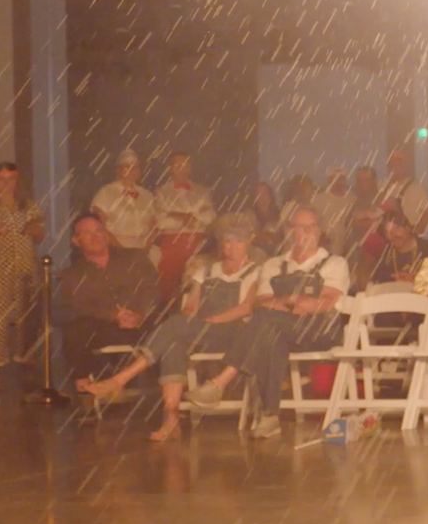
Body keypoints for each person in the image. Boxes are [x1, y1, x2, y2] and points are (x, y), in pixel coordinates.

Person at [75, 214, 261, 441]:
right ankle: (171, 419)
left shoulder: (255, 271)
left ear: (248, 243)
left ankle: (120, 379)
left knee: (174, 325)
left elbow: (245, 308)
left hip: (232, 332)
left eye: (238, 242)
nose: (231, 248)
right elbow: (191, 305)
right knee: (173, 341)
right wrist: (192, 318)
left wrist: (207, 322)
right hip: (201, 329)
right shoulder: (207, 270)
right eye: (227, 242)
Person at [190, 208, 347, 438]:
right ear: (289, 231)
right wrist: (294, 300)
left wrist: (284, 301)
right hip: (282, 329)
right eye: (301, 227)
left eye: (312, 226)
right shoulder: (274, 265)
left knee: (266, 323)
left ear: (319, 230)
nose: (308, 232)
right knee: (270, 333)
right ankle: (270, 417)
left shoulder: (334, 262)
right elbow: (262, 303)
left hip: (318, 330)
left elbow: (323, 304)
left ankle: (221, 381)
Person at [56, 215, 159, 397]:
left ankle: (166, 396)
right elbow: (75, 306)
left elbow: (154, 289)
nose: (95, 237)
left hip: (143, 325)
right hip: (106, 329)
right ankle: (85, 391)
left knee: (170, 322)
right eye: (87, 233)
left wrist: (140, 314)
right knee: (75, 329)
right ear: (76, 241)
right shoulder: (72, 274)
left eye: (98, 231)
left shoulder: (135, 257)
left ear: (106, 234)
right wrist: (111, 314)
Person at [0, 161, 44, 390]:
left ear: (17, 180)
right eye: (0, 178)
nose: (5, 183)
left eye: (10, 178)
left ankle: (25, 361)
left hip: (25, 267)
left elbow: (39, 235)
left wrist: (33, 229)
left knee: (26, 317)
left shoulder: (27, 205)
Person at [152, 152, 216, 304]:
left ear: (191, 168)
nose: (182, 169)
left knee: (196, 282)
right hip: (171, 244)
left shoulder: (203, 191)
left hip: (197, 243)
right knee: (168, 284)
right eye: (177, 166)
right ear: (170, 169)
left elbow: (210, 216)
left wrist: (175, 214)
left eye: (186, 165)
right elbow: (161, 221)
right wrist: (190, 216)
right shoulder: (161, 192)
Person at [363, 210, 428, 294]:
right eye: (387, 231)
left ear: (408, 228)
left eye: (397, 228)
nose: (392, 235)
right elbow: (376, 288)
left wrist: (415, 282)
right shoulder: (384, 257)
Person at [90, 149, 159, 255]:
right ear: (118, 170)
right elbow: (99, 226)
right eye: (127, 166)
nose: (132, 170)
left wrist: (146, 247)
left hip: (143, 247)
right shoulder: (105, 193)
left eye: (135, 167)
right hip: (115, 246)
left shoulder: (147, 195)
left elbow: (153, 226)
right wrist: (121, 250)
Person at [314, 166, 356, 257]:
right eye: (334, 179)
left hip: (348, 250)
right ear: (329, 180)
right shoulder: (318, 199)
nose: (338, 182)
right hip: (325, 249)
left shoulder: (352, 198)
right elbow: (314, 224)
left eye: (341, 178)